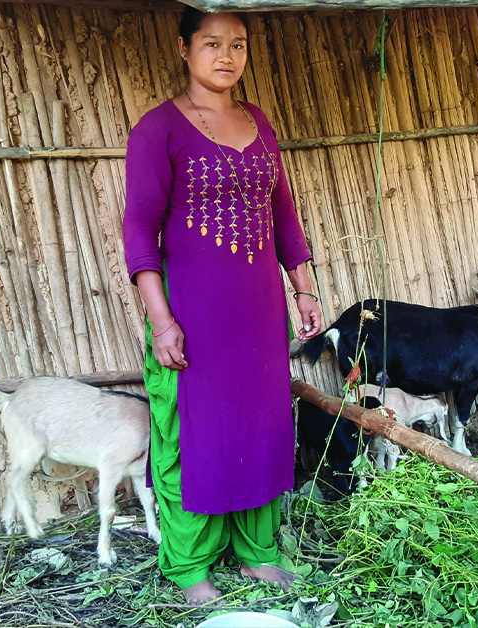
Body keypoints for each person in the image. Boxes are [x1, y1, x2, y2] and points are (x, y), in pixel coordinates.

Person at [121, 8, 322, 606]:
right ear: (184, 49)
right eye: (211, 43)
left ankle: (258, 553)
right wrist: (162, 320)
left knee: (260, 429)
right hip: (193, 316)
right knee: (193, 434)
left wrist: (303, 287)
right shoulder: (157, 130)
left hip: (259, 315)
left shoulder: (258, 122)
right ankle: (190, 568)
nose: (226, 55)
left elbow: (283, 215)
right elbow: (139, 230)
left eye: (238, 44)